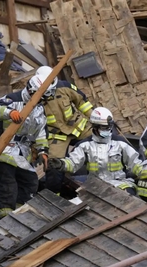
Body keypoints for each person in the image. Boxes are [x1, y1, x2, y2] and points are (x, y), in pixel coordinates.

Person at [47, 107, 147, 200]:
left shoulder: (120, 143)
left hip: (121, 184)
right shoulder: (85, 145)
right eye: (104, 128)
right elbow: (73, 163)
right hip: (95, 186)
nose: (107, 130)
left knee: (129, 202)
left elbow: (137, 164)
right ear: (94, 127)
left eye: (109, 127)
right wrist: (61, 164)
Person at [0, 74, 50, 219]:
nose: (41, 101)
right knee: (7, 185)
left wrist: (43, 151)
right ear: (31, 91)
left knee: (30, 182)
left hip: (23, 152)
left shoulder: (39, 109)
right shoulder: (12, 99)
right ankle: (4, 218)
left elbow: (41, 131)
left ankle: (21, 214)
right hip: (4, 150)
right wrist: (9, 112)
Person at [35, 66, 95, 194]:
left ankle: (97, 183)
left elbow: (82, 102)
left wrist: (96, 118)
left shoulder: (64, 87)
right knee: (53, 165)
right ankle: (54, 195)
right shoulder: (33, 97)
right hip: (56, 135)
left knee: (100, 144)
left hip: (79, 127)